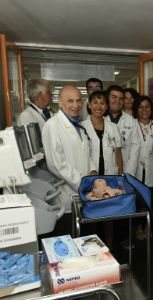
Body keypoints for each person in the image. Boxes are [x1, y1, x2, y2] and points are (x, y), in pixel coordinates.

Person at [42, 85, 96, 233]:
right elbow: (57, 165)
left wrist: (92, 171)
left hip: (84, 194)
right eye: (70, 101)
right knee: (70, 239)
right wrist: (83, 184)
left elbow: (87, 154)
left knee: (84, 239)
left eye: (79, 101)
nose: (76, 105)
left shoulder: (78, 125)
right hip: (66, 197)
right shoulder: (52, 126)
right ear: (60, 102)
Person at [133, 95, 153, 240]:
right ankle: (138, 226)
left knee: (151, 201)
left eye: (147, 107)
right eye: (141, 107)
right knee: (138, 201)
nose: (144, 110)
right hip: (136, 170)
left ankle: (148, 227)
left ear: (152, 109)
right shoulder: (131, 125)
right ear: (136, 109)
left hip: (152, 169)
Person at [82, 91, 123, 176]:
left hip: (111, 174)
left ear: (106, 106)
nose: (99, 106)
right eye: (95, 102)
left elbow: (118, 155)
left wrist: (120, 176)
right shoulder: (82, 127)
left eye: (102, 103)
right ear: (89, 105)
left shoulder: (114, 128)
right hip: (90, 173)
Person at [104, 85, 140, 176]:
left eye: (121, 98)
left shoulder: (131, 121)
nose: (117, 101)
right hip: (103, 170)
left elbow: (135, 148)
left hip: (126, 170)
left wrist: (128, 173)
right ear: (107, 99)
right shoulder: (100, 119)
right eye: (114, 97)